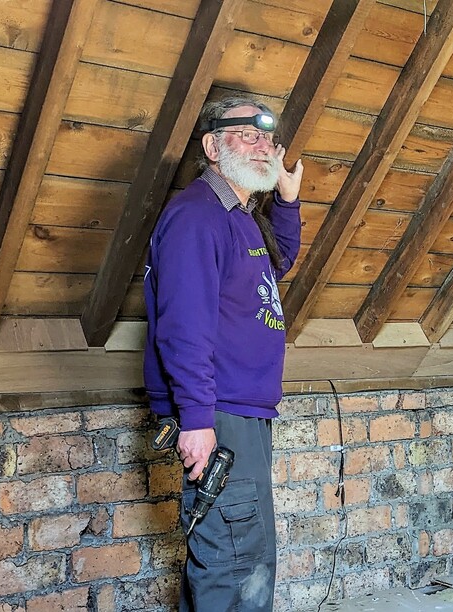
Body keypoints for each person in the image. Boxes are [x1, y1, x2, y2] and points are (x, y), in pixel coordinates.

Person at [143, 96, 302, 612]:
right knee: (235, 563)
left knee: (244, 554)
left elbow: (270, 271)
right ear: (212, 146)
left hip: (240, 410)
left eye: (270, 138)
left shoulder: (239, 216)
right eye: (248, 134)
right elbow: (182, 327)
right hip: (220, 411)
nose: (266, 147)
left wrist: (287, 200)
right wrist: (196, 419)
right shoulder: (196, 217)